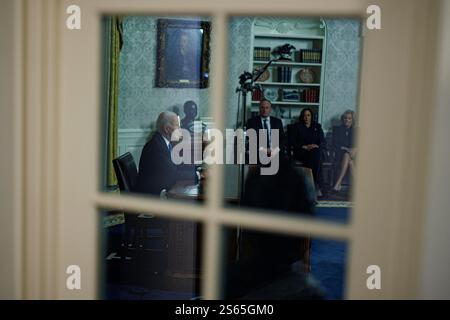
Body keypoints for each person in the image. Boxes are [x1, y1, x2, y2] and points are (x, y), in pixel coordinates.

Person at [136, 111, 197, 196]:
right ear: (167, 129)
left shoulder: (163, 142)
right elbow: (172, 174)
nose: (181, 130)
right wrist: (197, 175)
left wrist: (195, 170)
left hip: (159, 189)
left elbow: (175, 166)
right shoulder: (157, 147)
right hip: (152, 197)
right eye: (178, 127)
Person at [288, 108, 325, 196]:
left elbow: (322, 140)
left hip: (314, 151)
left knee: (315, 153)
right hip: (301, 152)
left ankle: (310, 186)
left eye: (308, 115)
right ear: (302, 117)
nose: (306, 117)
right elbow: (292, 141)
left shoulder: (317, 126)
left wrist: (316, 145)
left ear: (311, 116)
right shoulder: (296, 126)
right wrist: (303, 146)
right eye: (304, 115)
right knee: (316, 158)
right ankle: (316, 186)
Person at [331, 110, 357, 192]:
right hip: (340, 154)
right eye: (345, 118)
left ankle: (338, 184)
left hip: (354, 155)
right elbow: (335, 144)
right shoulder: (337, 129)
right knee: (348, 158)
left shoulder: (356, 130)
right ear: (343, 119)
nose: (347, 120)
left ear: (352, 120)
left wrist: (356, 149)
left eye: (349, 118)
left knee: (349, 158)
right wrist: (348, 149)